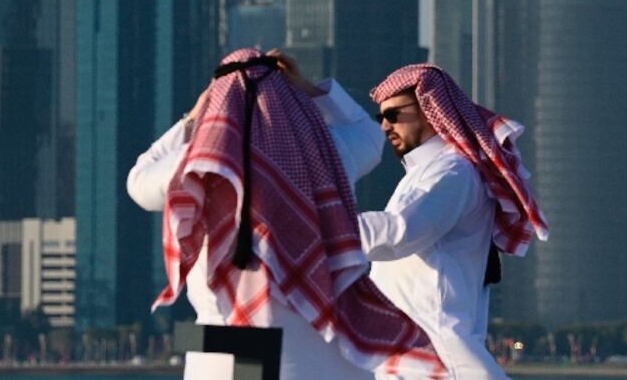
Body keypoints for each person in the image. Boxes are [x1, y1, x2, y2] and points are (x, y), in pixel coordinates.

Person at [127, 48, 447, 379]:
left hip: (219, 340)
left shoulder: (194, 162)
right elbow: (369, 135)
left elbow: (138, 180)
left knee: (202, 342)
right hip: (313, 338)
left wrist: (194, 116)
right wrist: (309, 88)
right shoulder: (327, 149)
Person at [359, 64, 549, 380]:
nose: (385, 126)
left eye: (394, 115)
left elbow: (398, 234)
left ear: (429, 110)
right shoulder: (423, 174)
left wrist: (319, 227)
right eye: (381, 117)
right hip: (407, 359)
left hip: (440, 358)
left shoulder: (452, 172)